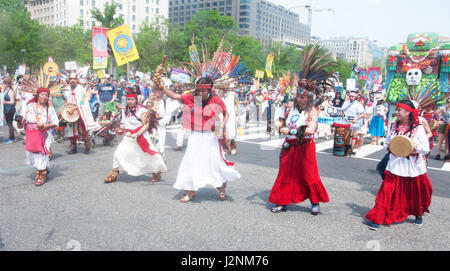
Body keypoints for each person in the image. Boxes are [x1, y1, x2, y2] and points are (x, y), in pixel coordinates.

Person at [161, 77, 240, 202]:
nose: (201, 93)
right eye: (199, 90)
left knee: (214, 164)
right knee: (191, 163)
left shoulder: (215, 100)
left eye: (204, 91)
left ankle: (221, 188)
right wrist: (162, 87)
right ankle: (190, 191)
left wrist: (222, 126)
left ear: (209, 89)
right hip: (195, 136)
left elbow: (226, 114)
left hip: (210, 137)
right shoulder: (192, 98)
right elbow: (175, 96)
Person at [366, 100, 432, 230]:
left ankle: (418, 214)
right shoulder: (393, 125)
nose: (396, 113)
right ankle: (378, 218)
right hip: (395, 164)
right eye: (396, 110)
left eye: (399, 110)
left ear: (408, 112)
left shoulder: (418, 127)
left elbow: (425, 148)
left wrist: (413, 146)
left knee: (417, 191)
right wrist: (390, 146)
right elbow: (388, 142)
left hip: (412, 165)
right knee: (386, 191)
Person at [269, 79, 330, 214]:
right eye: (298, 96)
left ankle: (315, 202)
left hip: (305, 147)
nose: (299, 99)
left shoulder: (312, 111)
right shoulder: (292, 108)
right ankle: (282, 201)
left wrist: (291, 131)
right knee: (285, 174)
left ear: (308, 98)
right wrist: (274, 126)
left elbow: (311, 129)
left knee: (308, 174)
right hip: (290, 145)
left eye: (302, 97)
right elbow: (283, 121)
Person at [104, 90, 167, 183]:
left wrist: (137, 134)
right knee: (118, 153)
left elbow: (146, 125)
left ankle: (157, 172)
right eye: (128, 99)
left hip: (141, 137)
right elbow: (125, 124)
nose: (130, 101)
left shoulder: (141, 110)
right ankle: (113, 174)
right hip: (129, 137)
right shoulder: (125, 110)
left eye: (132, 99)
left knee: (149, 156)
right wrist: (120, 128)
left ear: (136, 100)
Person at [22, 87, 59, 186]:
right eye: (42, 94)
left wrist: (45, 126)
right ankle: (44, 168)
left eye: (46, 95)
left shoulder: (49, 110)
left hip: (44, 136)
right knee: (33, 154)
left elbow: (56, 123)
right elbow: (24, 117)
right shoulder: (30, 106)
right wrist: (21, 121)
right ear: (38, 95)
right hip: (32, 135)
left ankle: (41, 174)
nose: (44, 97)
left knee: (42, 154)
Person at [64, 73, 96, 154]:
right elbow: (66, 101)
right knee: (71, 129)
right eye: (71, 79)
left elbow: (82, 102)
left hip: (80, 112)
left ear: (77, 80)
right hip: (70, 114)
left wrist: (75, 108)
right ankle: (73, 147)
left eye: (74, 79)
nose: (72, 81)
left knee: (82, 130)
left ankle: (87, 144)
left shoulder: (81, 89)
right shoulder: (67, 89)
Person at [219, 83, 241, 155]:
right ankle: (225, 149)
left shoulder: (233, 94)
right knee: (223, 132)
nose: (224, 87)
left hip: (231, 115)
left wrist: (239, 116)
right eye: (223, 86)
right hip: (223, 115)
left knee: (232, 133)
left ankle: (233, 147)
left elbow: (238, 104)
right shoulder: (221, 93)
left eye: (225, 85)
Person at [2, 78, 16, 143]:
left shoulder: (11, 91)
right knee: (9, 123)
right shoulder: (5, 90)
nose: (4, 84)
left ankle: (11, 138)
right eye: (4, 83)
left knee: (10, 123)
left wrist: (5, 102)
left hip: (10, 109)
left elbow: (12, 102)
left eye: (5, 83)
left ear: (8, 84)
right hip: (6, 109)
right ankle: (12, 137)